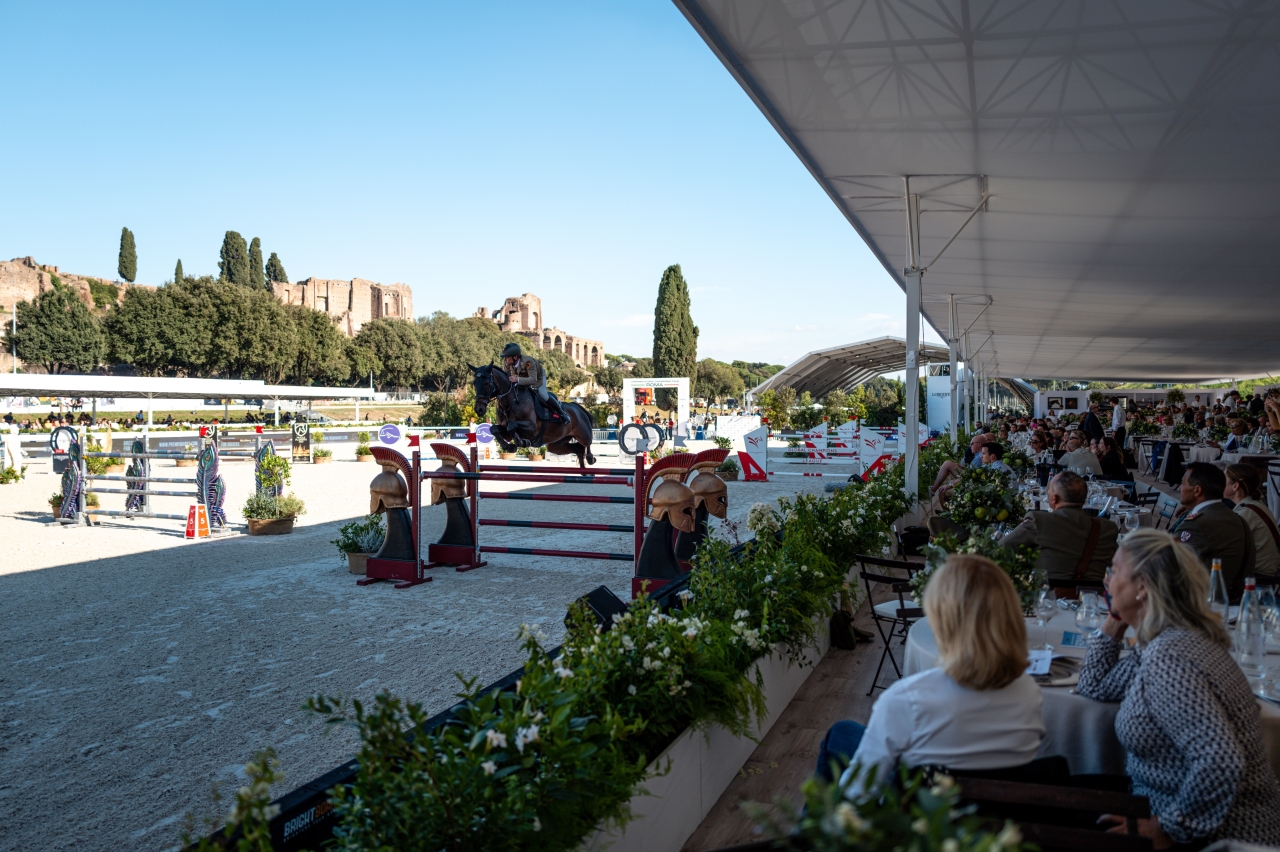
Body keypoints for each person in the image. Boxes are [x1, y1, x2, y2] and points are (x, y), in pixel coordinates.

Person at [1077, 529, 1280, 848]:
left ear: (1142, 586)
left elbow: (1221, 760)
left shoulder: (1170, 656)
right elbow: (1094, 686)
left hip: (1219, 834)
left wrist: (1167, 828)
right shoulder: (1163, 640)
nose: (1106, 579)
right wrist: (1116, 620)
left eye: (1114, 570)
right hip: (1159, 804)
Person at [814, 555, 1044, 788]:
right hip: (998, 814)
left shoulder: (906, 699)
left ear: (940, 620)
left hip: (926, 813)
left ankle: (809, 824)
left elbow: (859, 795)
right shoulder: (1029, 692)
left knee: (840, 733)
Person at [1002, 471, 1118, 586]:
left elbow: (999, 550)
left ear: (1054, 499)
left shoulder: (1038, 521)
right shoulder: (1107, 528)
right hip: (1095, 601)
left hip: (1048, 600)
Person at [1170, 462, 1256, 599]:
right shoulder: (1237, 518)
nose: (1180, 488)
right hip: (1239, 599)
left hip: (1205, 604)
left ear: (1197, 490)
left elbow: (1173, 568)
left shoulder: (1196, 524)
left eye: (1183, 483)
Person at [1225, 464, 1280, 579]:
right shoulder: (1255, 504)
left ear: (1235, 486)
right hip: (1268, 571)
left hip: (1260, 577)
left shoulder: (1245, 513)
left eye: (1224, 479)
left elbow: (1226, 547)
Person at [501, 342, 566, 420]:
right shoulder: (507, 363)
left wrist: (517, 379)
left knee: (542, 394)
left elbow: (533, 379)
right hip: (521, 377)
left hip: (537, 376)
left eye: (506, 357)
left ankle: (562, 412)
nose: (505, 359)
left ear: (515, 357)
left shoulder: (528, 362)